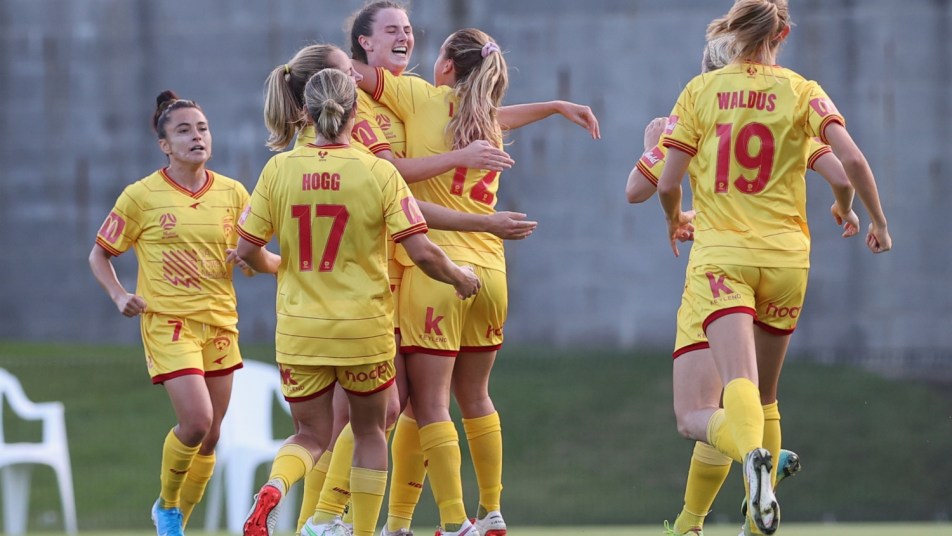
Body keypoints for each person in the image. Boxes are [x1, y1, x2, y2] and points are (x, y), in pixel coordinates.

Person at [321, 7, 601, 536]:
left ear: (446, 65)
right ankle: (486, 511)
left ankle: (452, 521)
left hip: (435, 269)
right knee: (473, 397)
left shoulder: (418, 97)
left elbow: (345, 70)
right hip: (492, 272)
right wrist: (558, 105)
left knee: (423, 407)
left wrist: (306, 74)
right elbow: (505, 113)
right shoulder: (487, 119)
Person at [261, 42, 538, 535]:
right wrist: (484, 225)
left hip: (326, 308)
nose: (406, 38)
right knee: (395, 412)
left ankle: (361, 522)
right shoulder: (390, 112)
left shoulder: (291, 160)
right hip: (397, 284)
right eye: (392, 29)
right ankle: (445, 518)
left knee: (385, 412)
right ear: (357, 55)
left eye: (408, 28)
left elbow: (243, 245)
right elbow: (403, 198)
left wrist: (279, 264)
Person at [656, 1, 891, 534]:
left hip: (724, 260)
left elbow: (666, 184)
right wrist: (864, 216)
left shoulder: (701, 92)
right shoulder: (801, 90)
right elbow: (849, 164)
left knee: (734, 383)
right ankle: (748, 513)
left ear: (733, 34)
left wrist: (673, 219)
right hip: (787, 259)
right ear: (783, 32)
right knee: (766, 394)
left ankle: (750, 463)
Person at [236, 68, 480, 536]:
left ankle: (273, 490)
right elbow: (423, 252)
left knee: (309, 436)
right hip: (363, 331)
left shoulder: (279, 169)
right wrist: (459, 277)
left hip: (299, 331)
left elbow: (246, 251)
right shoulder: (378, 171)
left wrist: (278, 266)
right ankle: (365, 531)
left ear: (304, 114)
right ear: (355, 113)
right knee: (370, 432)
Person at [89, 91, 255, 536]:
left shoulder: (234, 193)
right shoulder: (141, 196)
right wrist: (120, 295)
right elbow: (99, 256)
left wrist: (260, 262)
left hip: (220, 323)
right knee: (197, 421)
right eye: (183, 131)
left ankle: (181, 520)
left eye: (202, 128)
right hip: (169, 324)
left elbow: (258, 256)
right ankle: (165, 507)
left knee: (213, 435)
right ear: (165, 144)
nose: (196, 137)